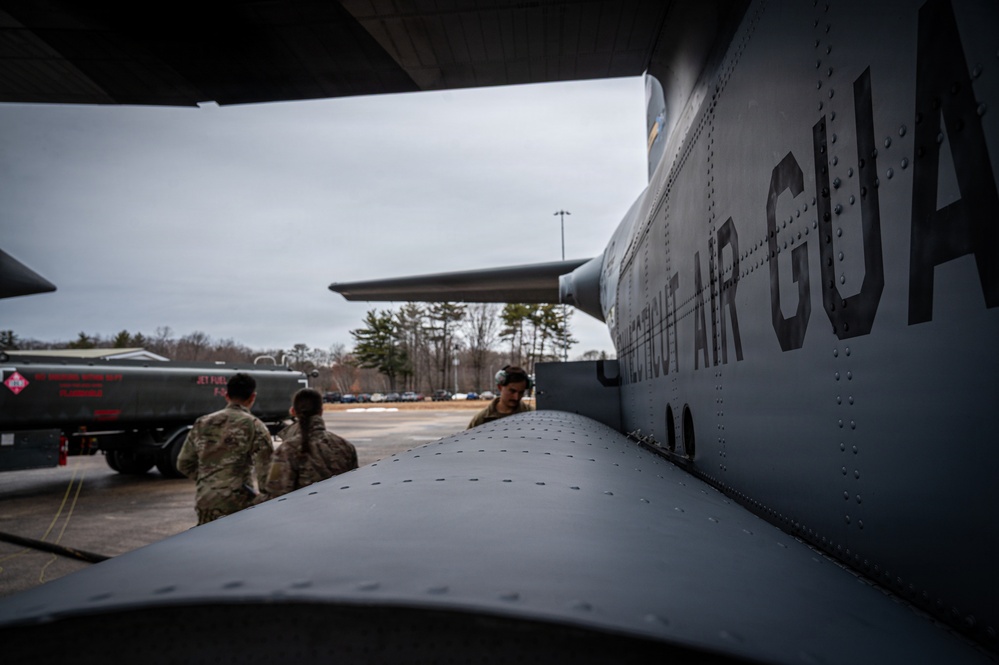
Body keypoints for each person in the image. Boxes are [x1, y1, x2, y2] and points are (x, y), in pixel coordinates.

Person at [177, 372, 273, 525]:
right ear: (252, 397)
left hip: (206, 500)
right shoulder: (255, 426)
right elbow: (266, 475)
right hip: (238, 503)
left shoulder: (202, 422)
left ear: (226, 395)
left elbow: (183, 463)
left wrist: (210, 480)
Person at [262, 388, 358, 499]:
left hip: (302, 514)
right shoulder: (345, 447)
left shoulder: (286, 450)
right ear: (321, 411)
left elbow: (275, 495)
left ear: (293, 411)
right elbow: (354, 487)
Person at [467, 365, 535, 429]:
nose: (516, 397)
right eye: (512, 391)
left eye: (521, 392)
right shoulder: (482, 419)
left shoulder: (532, 415)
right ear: (500, 387)